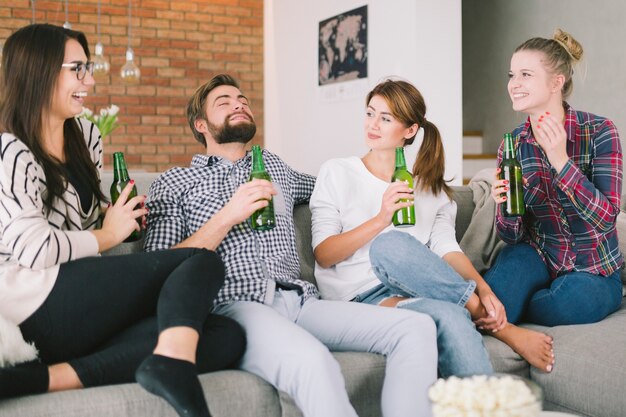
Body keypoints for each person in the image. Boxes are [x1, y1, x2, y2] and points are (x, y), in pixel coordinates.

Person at [144, 73, 439, 417]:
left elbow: (341, 186)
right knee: (313, 361)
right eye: (224, 102)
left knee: (415, 328)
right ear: (201, 125)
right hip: (238, 306)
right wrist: (228, 215)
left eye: (243, 100)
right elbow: (159, 266)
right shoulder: (175, 181)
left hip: (301, 301)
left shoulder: (274, 167)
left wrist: (420, 186)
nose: (239, 104)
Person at [0, 24, 245, 417]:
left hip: (76, 301)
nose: (90, 81)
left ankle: (37, 380)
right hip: (29, 303)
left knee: (223, 334)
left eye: (88, 68)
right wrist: (107, 234)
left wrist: (121, 218)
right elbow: (35, 249)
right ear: (39, 71)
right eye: (77, 69)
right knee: (199, 259)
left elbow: (82, 222)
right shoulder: (9, 150)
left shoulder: (86, 136)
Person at [309, 78, 494, 378]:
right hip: (359, 296)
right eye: (370, 113)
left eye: (386, 118)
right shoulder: (337, 172)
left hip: (416, 287)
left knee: (450, 314)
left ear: (409, 131)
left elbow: (447, 250)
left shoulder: (429, 189)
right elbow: (324, 254)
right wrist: (381, 219)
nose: (373, 124)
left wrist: (484, 290)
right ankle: (486, 316)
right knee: (389, 244)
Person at [485, 28, 623, 369]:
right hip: (537, 254)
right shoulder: (512, 144)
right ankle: (514, 302)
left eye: (526, 75)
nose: (514, 83)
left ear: (555, 82)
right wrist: (504, 206)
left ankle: (524, 305)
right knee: (496, 299)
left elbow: (606, 218)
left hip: (594, 269)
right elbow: (510, 236)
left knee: (571, 302)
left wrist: (561, 160)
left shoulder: (600, 132)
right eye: (512, 75)